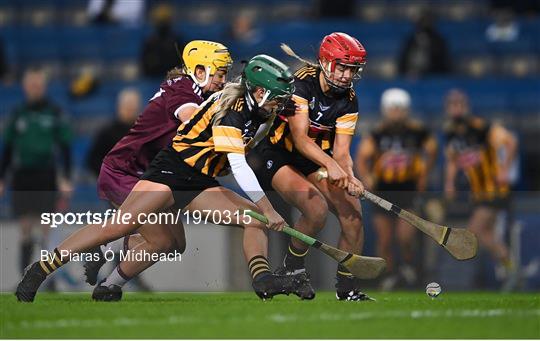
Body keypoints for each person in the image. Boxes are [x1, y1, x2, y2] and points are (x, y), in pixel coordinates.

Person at [16, 54, 303, 303]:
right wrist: (269, 207)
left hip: (200, 182)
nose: (279, 104)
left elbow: (299, 109)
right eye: (276, 98)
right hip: (172, 171)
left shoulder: (262, 109)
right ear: (258, 92)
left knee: (248, 221)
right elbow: (238, 165)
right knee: (119, 227)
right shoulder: (233, 112)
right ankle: (41, 268)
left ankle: (262, 279)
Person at [83, 40, 232, 301]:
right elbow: (194, 119)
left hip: (156, 174)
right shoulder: (185, 91)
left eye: (225, 74)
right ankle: (108, 283)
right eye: (219, 73)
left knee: (176, 244)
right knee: (161, 241)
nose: (223, 79)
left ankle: (107, 251)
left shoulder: (196, 91)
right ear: (200, 70)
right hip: (130, 172)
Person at [247, 32, 370, 301]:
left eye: (353, 70)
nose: (347, 76)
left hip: (315, 160)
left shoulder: (349, 99)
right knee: (315, 209)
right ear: (326, 62)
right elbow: (301, 139)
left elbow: (341, 152)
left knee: (354, 215)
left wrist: (349, 175)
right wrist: (331, 165)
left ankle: (346, 287)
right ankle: (292, 268)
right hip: (280, 155)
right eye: (343, 67)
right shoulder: (300, 84)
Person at [355, 88, 437, 290]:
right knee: (384, 239)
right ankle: (390, 275)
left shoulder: (417, 132)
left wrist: (424, 174)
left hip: (408, 190)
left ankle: (408, 268)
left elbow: (432, 149)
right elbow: (362, 156)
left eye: (400, 109)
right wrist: (367, 178)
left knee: (405, 237)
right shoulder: (378, 133)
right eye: (393, 108)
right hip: (383, 190)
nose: (396, 112)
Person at [0, 68, 72, 275]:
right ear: (25, 87)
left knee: (46, 229)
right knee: (25, 228)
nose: (34, 89)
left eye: (38, 85)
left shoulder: (54, 113)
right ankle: (24, 277)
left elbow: (65, 147)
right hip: (22, 175)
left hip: (46, 175)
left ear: (44, 87)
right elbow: (8, 148)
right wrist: (1, 178)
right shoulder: (18, 114)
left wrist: (65, 178)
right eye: (31, 85)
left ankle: (47, 279)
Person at [443, 89, 517, 281]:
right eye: (452, 105)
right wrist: (450, 182)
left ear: (466, 107)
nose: (456, 109)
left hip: (493, 189)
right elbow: (452, 159)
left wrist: (504, 169)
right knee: (487, 233)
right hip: (477, 192)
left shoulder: (480, 126)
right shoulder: (451, 132)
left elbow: (510, 142)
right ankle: (507, 269)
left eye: (459, 105)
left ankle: (509, 264)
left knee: (475, 231)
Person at [86, 88, 141, 177]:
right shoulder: (107, 132)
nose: (131, 109)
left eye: (133, 106)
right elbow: (93, 160)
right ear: (119, 106)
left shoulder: (143, 131)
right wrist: (110, 176)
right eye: (128, 105)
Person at [397, 11, 451, 77]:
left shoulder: (438, 40)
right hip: (412, 75)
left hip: (433, 75)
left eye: (428, 21)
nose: (425, 23)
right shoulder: (411, 39)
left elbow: (442, 61)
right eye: (423, 20)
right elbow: (403, 59)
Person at [140, 3, 186, 78]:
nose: (163, 25)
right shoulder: (150, 42)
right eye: (161, 22)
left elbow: (182, 64)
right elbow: (145, 66)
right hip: (153, 78)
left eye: (165, 21)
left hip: (174, 78)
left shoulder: (177, 41)